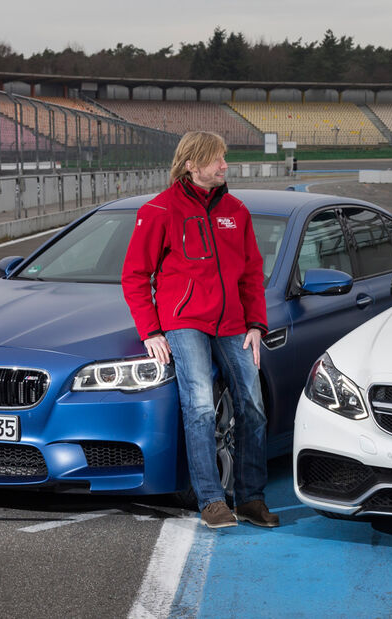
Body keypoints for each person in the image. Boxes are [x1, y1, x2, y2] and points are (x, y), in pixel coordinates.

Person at [122, 131, 278, 529]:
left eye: (224, 158)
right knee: (201, 406)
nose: (224, 166)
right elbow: (135, 275)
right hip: (184, 322)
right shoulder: (159, 210)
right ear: (191, 164)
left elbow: (251, 275)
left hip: (234, 325)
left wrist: (257, 324)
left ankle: (251, 498)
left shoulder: (236, 211)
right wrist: (151, 331)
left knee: (253, 407)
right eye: (216, 160)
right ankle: (211, 500)